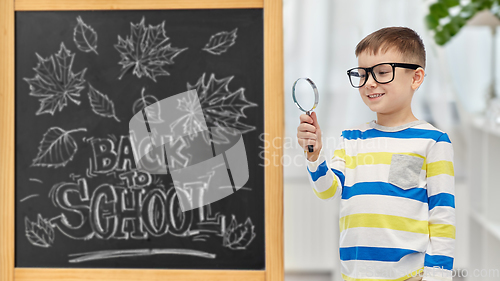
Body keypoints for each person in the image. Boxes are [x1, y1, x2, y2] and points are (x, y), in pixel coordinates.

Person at [297, 27, 455, 281]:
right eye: (362, 74)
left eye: (382, 72)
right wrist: (314, 155)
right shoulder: (351, 138)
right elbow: (328, 191)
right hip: (356, 274)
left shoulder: (433, 141)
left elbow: (442, 215)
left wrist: (438, 276)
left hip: (411, 275)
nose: (369, 82)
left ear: (416, 78)